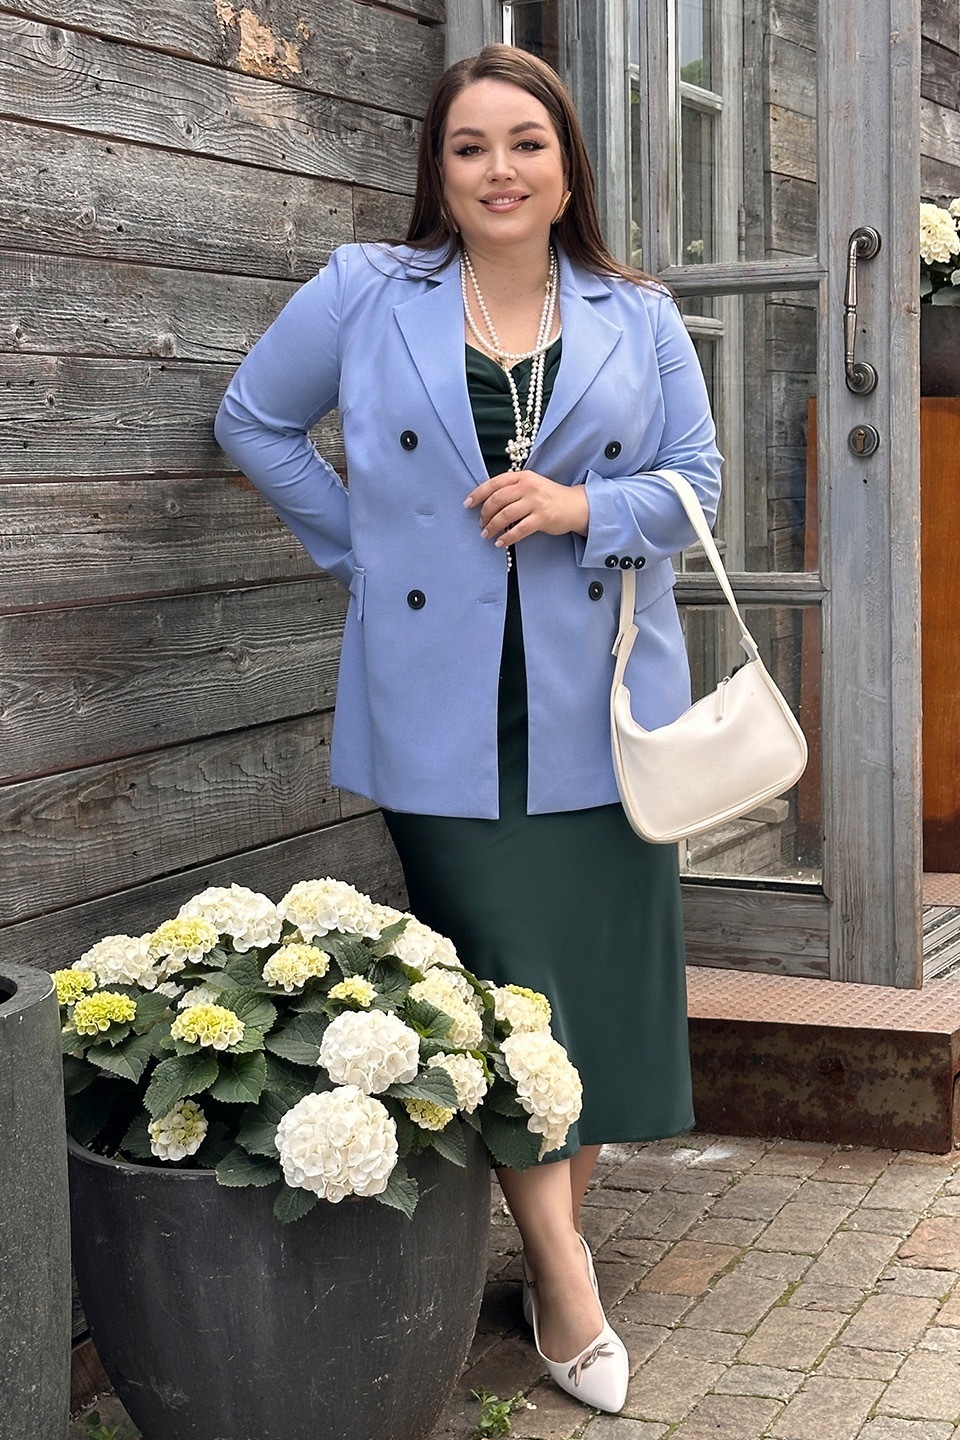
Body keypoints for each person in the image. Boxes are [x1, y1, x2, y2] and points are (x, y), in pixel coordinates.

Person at [215, 43, 722, 1415]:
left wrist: (584, 509)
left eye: (526, 144)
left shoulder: (638, 313)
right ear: (437, 172)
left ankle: (551, 1246)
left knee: (586, 999)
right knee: (503, 982)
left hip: (601, 706)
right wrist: (366, 552)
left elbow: (700, 484)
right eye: (470, 147)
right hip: (443, 703)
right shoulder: (364, 291)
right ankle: (563, 1275)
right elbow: (254, 420)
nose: (500, 169)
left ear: (566, 166)